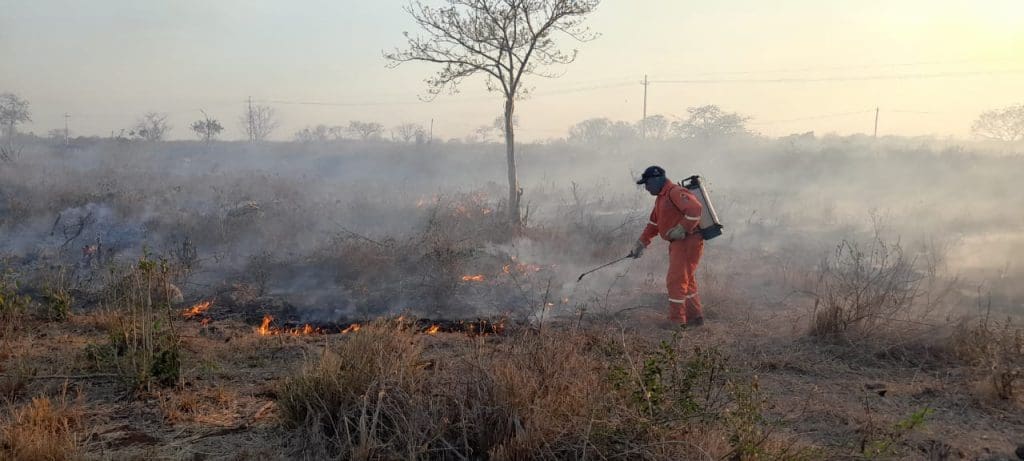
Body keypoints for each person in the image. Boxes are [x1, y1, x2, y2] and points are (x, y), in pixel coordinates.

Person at [629, 166, 706, 326]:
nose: (646, 188)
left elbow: (695, 209)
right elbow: (653, 225)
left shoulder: (674, 192)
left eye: (647, 183)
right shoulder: (661, 198)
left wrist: (682, 228)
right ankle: (695, 316)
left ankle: (676, 322)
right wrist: (641, 243)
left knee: (675, 281)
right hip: (679, 244)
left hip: (688, 242)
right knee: (686, 280)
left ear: (656, 179)